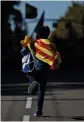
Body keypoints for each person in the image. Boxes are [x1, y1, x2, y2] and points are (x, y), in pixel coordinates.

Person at [20, 25, 61, 117]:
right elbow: (56, 57)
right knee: (42, 90)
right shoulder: (51, 45)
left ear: (38, 34)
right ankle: (38, 111)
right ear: (48, 34)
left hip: (35, 69)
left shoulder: (34, 43)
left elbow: (23, 52)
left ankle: (32, 82)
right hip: (45, 71)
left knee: (29, 72)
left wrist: (28, 50)